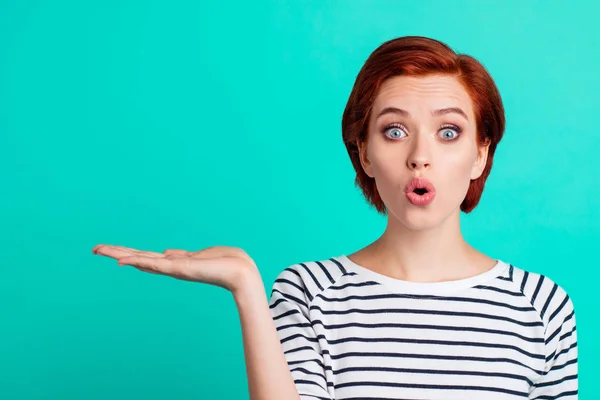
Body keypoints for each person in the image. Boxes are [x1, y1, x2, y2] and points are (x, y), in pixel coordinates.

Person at [92, 36, 578, 399]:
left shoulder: (542, 306)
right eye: (394, 131)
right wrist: (246, 291)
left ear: (480, 154)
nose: (419, 156)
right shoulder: (309, 292)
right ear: (363, 153)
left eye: (448, 131)